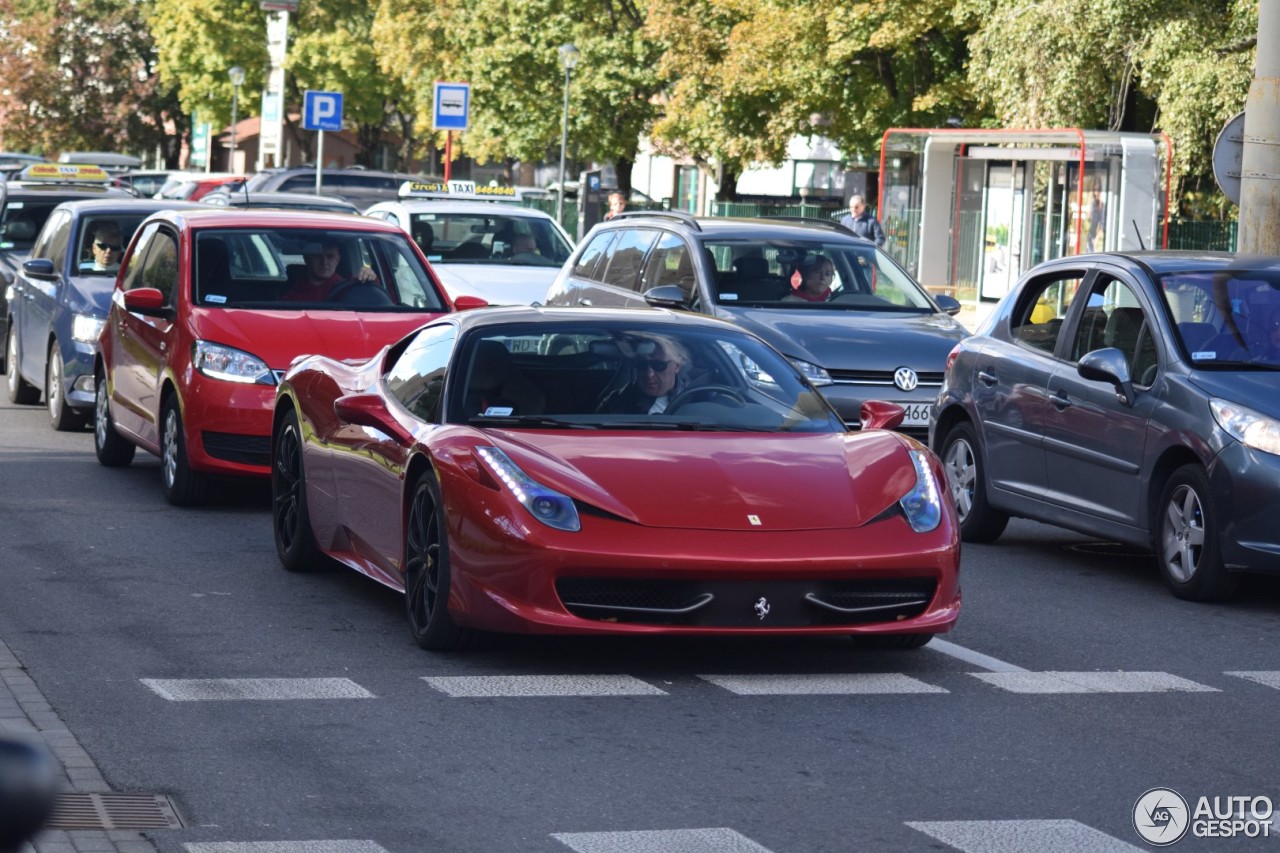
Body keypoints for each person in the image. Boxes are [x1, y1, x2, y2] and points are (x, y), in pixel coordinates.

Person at [597, 335, 691, 414]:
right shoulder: (616, 402)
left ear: (677, 366)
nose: (649, 374)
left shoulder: (694, 398)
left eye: (658, 365)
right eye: (641, 364)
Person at [281, 237, 376, 302]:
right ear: (306, 259)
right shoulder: (293, 296)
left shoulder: (351, 288)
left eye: (330, 256)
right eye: (318, 256)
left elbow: (375, 301)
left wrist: (371, 278)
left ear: (337, 260)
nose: (324, 262)